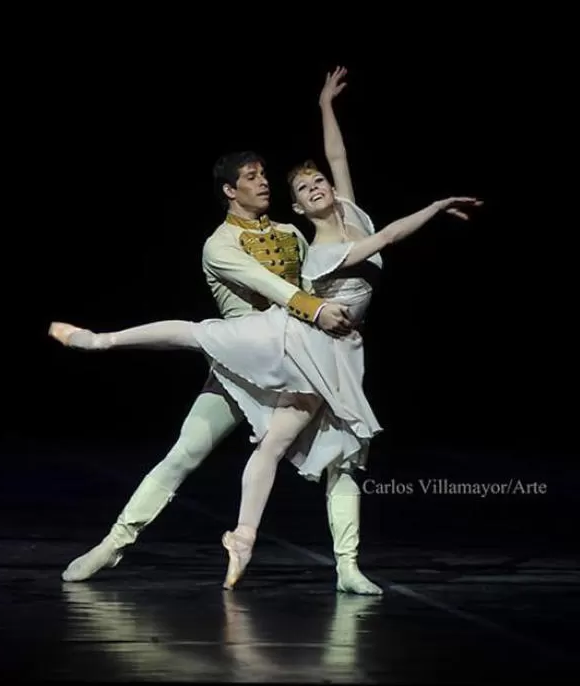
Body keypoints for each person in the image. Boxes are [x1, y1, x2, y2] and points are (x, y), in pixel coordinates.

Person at [51, 67, 482, 590]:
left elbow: (328, 255)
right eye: (253, 177)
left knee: (341, 455)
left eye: (265, 176)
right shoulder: (219, 245)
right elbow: (276, 288)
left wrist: (333, 320)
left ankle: (346, 564)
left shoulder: (291, 232)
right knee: (185, 453)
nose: (264, 183)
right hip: (245, 357)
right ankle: (114, 543)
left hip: (300, 356)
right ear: (231, 191)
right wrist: (318, 310)